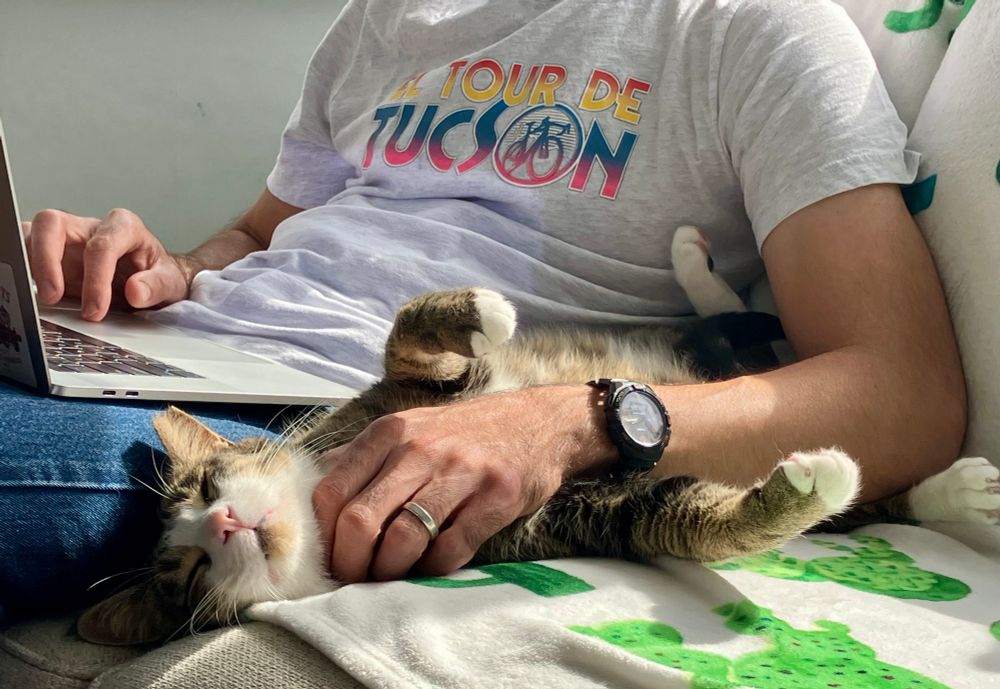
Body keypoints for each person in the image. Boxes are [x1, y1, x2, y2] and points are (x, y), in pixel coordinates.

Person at [2, 0, 966, 618]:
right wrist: (157, 265)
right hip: (176, 369)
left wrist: (573, 420)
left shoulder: (755, 28)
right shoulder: (379, 21)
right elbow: (254, 240)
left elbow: (905, 389)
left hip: (335, 422)